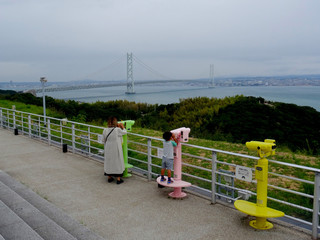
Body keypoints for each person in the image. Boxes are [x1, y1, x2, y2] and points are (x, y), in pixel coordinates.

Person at [102, 116, 127, 184]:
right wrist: (122, 126)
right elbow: (125, 132)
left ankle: (109, 177)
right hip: (116, 148)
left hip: (108, 148)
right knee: (117, 161)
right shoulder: (117, 130)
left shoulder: (105, 130)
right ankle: (118, 179)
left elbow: (103, 140)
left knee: (109, 161)